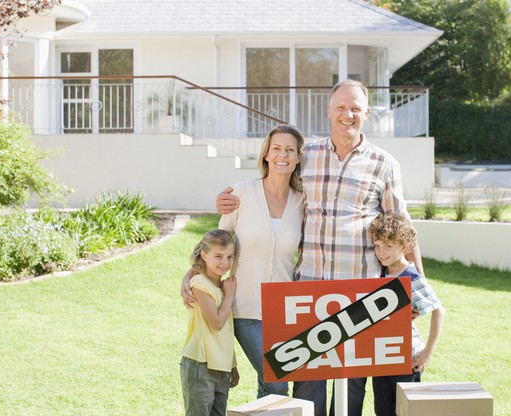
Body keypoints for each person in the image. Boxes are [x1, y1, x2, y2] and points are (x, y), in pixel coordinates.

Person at [216, 79, 423, 416]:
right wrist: (228, 200)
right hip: (307, 296)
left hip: (359, 299)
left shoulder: (384, 164)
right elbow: (273, 188)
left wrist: (417, 288)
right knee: (306, 389)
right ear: (329, 111)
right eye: (341, 107)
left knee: (350, 392)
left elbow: (404, 233)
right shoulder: (307, 156)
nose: (347, 115)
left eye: (355, 108)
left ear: (367, 113)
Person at [182, 125, 305, 400]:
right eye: (276, 148)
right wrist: (190, 275)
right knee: (276, 379)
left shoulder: (302, 202)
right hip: (244, 307)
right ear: (265, 155)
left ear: (298, 158)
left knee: (269, 382)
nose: (282, 155)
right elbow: (217, 245)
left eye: (289, 150)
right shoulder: (242, 193)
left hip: (284, 310)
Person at [369, 212, 445, 416]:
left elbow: (439, 311)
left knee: (406, 411)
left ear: (404, 246)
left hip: (406, 358)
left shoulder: (410, 276)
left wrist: (428, 351)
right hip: (383, 357)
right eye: (377, 245)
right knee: (383, 411)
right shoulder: (381, 272)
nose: (381, 252)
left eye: (388, 246)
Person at [180, 229, 239, 416]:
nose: (225, 263)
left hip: (221, 366)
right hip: (200, 365)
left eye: (230, 257)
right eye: (218, 256)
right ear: (204, 255)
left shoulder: (221, 287)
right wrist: (230, 294)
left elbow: (226, 332)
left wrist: (232, 364)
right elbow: (217, 323)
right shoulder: (199, 284)